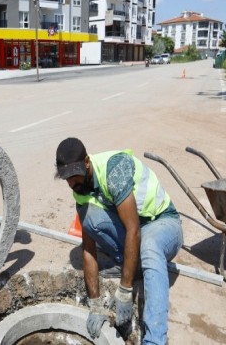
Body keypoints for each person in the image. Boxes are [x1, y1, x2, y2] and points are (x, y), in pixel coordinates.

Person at [55, 137, 183, 344]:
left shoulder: (114, 170)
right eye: (66, 178)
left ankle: (155, 340)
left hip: (163, 223)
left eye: (74, 176)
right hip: (136, 228)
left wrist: (124, 290)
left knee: (150, 248)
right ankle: (136, 267)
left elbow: (133, 230)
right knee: (89, 218)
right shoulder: (80, 187)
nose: (71, 183)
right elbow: (88, 248)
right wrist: (95, 303)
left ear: (86, 162)